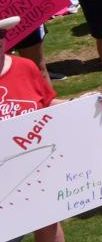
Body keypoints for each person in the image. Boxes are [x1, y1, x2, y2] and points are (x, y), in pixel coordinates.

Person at [0, 14, 63, 242]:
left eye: (0, 35)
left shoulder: (24, 66)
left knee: (48, 223)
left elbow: (47, 103)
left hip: (34, 168)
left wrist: (83, 105)